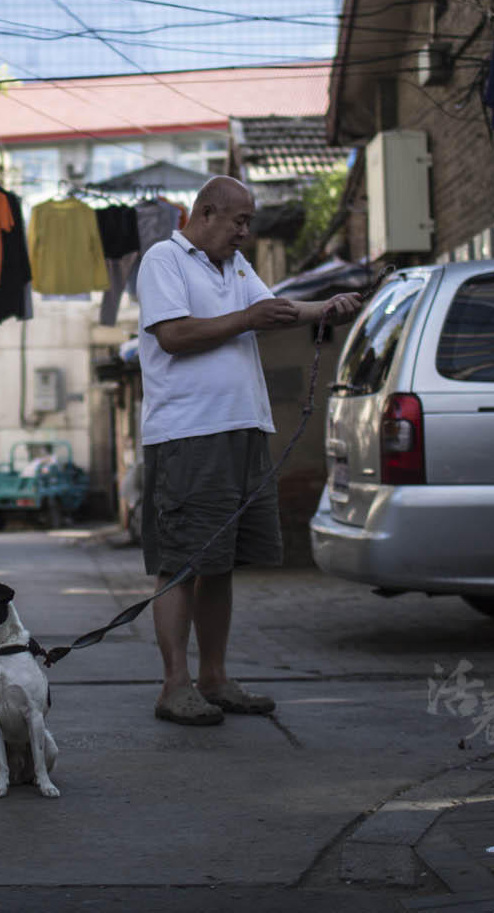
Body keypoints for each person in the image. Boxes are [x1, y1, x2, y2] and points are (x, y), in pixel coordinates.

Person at [134, 175, 363, 725]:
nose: (245, 231)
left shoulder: (233, 266)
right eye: (238, 220)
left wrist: (325, 308)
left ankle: (214, 678)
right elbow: (173, 336)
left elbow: (274, 309)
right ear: (206, 213)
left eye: (249, 221)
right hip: (188, 435)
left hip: (243, 429)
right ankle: (174, 685)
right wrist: (245, 320)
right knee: (181, 561)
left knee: (221, 564)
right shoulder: (165, 259)